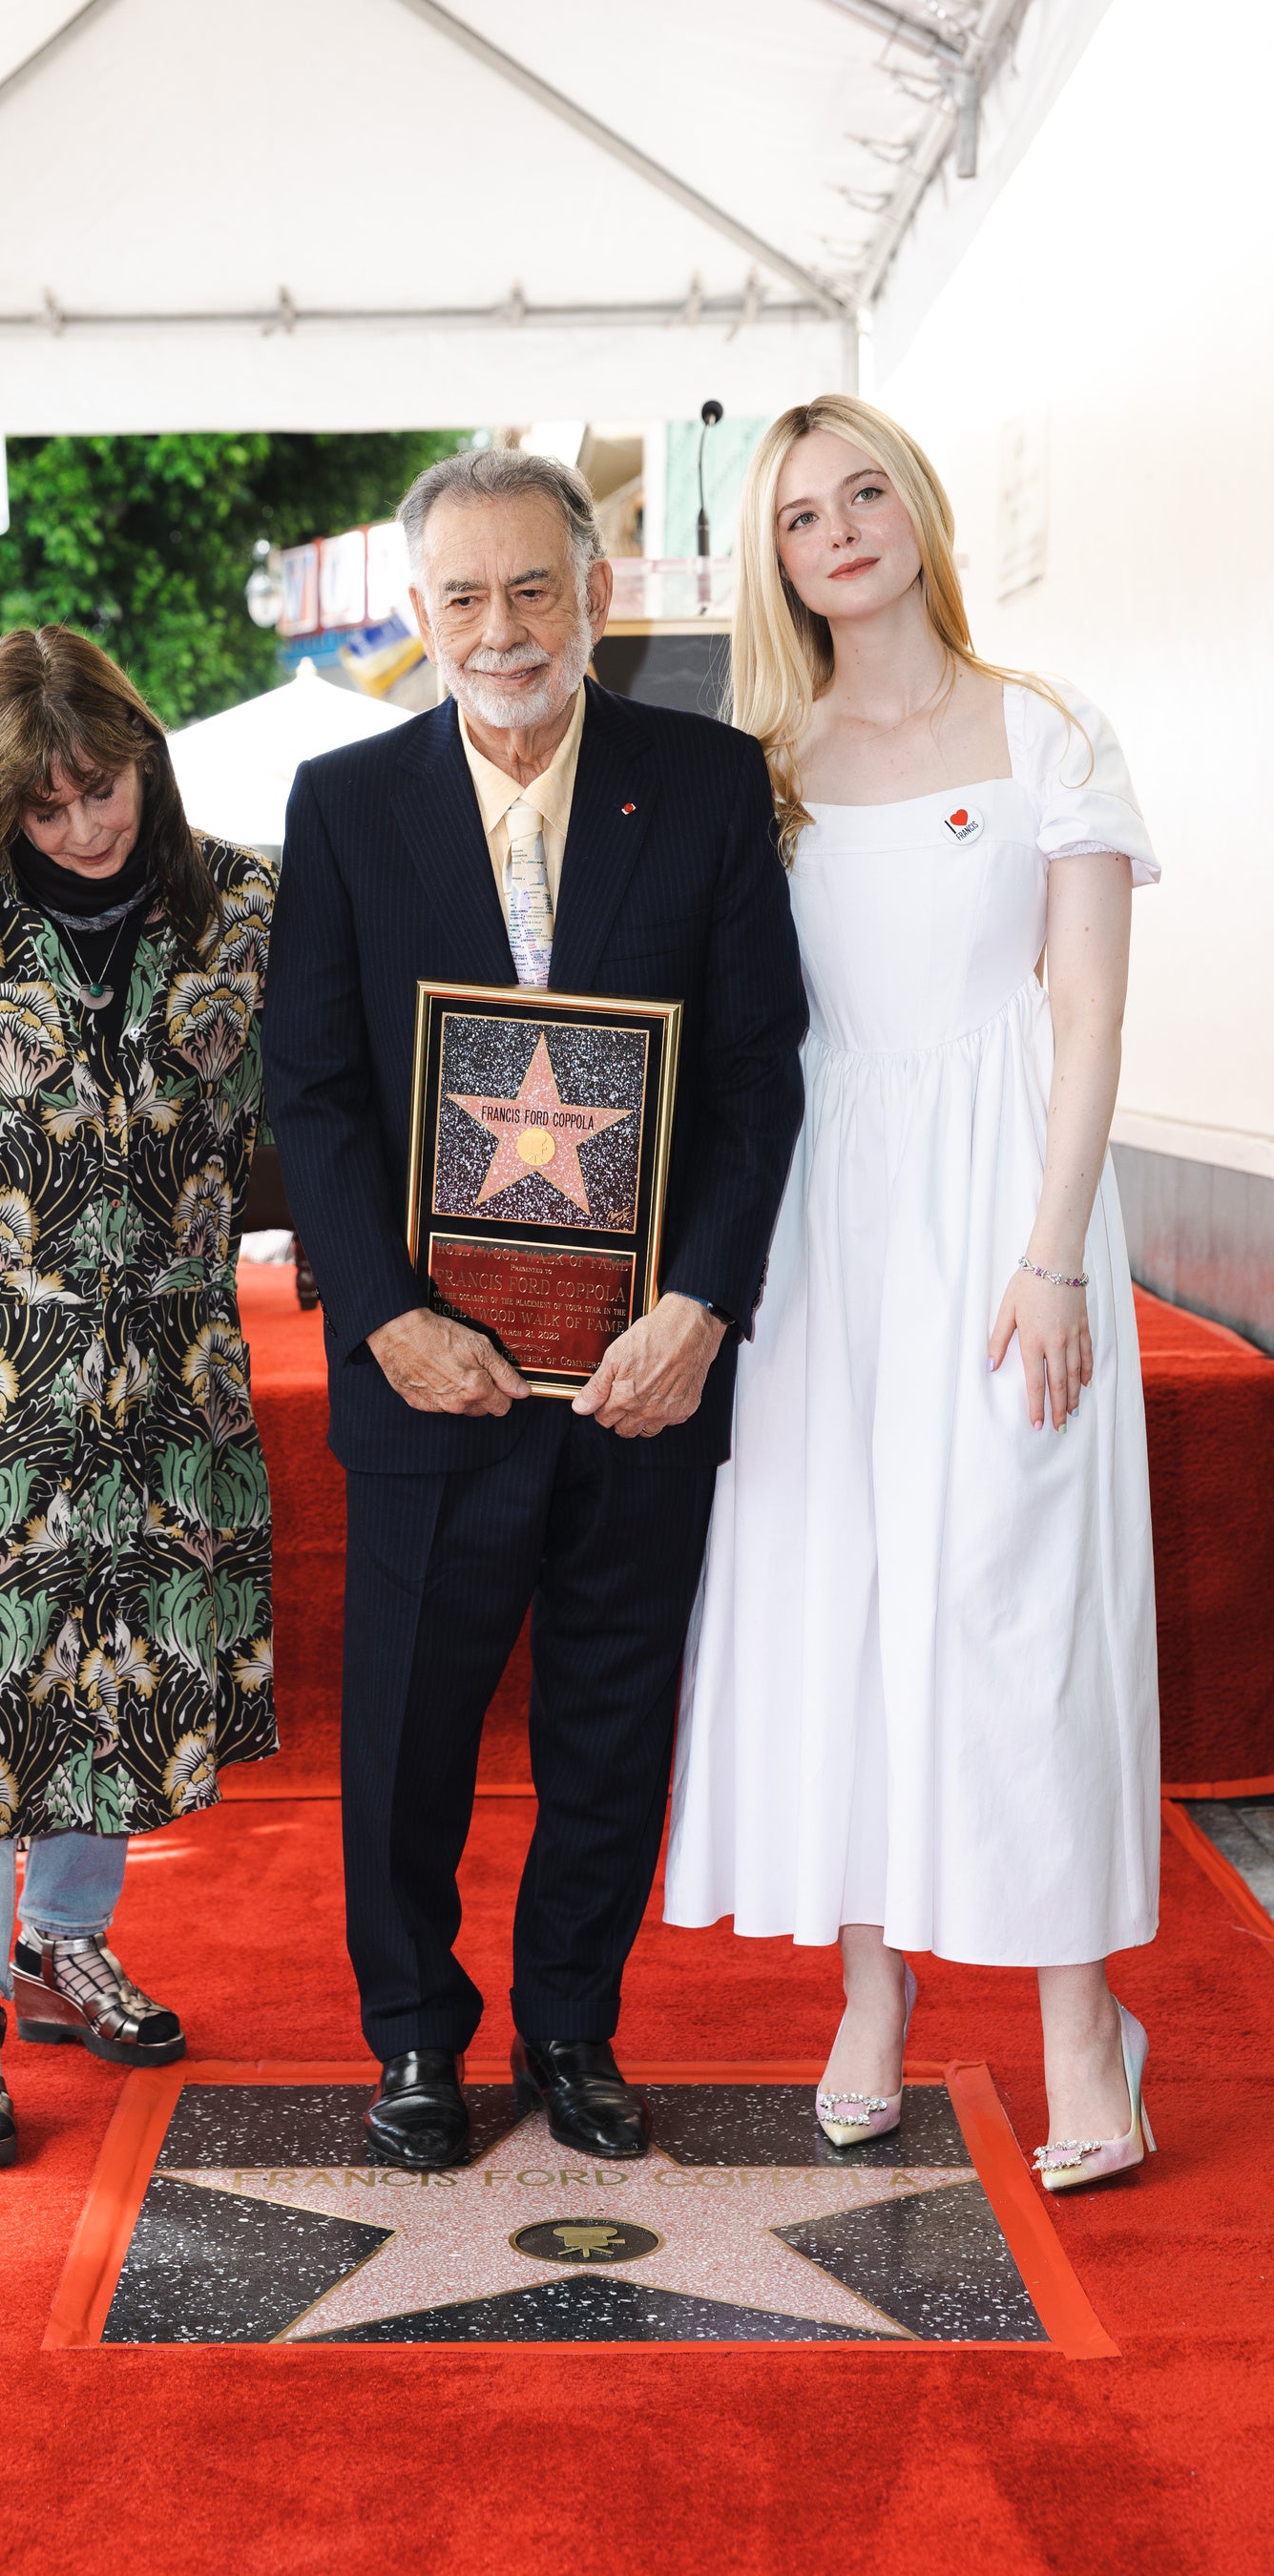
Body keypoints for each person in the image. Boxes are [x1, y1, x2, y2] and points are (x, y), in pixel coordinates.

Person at [263, 448, 806, 2171]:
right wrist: (385, 1318)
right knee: (407, 1736)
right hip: (431, 1371)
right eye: (463, 597)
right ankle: (417, 2036)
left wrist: (702, 1306)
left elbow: (758, 1075)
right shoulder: (345, 807)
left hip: (646, 1373)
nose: (500, 629)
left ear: (597, 596)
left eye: (532, 589)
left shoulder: (706, 784)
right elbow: (311, 1094)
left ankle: (573, 2023)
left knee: (610, 1721)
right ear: (417, 615)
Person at [664, 396, 1161, 2194]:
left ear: (922, 508)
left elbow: (1088, 1016)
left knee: (1016, 1599)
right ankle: (870, 1996)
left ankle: (1082, 2029)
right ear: (775, 560)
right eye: (803, 515)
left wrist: (1052, 1256)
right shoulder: (759, 768)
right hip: (821, 1221)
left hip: (1009, 1209)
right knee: (843, 1593)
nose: (842, 531)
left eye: (866, 492)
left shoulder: (1048, 730)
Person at [0, 626, 278, 2171]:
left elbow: (307, 1104)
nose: (86, 824)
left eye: (105, 786)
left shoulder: (246, 906)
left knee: (116, 1682)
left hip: (169, 1373)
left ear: (146, 757)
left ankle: (62, 1944)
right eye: (45, 804)